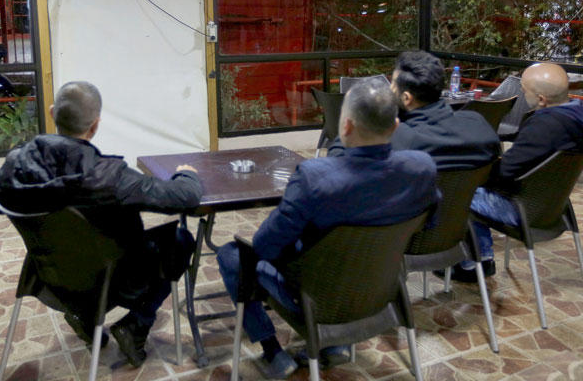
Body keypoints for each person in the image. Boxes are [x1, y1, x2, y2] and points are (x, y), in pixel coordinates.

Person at [217, 79, 439, 378]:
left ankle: (272, 352)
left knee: (232, 255)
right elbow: (429, 222)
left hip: (315, 299)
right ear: (396, 126)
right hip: (381, 289)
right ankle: (334, 346)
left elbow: (265, 246)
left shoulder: (316, 176)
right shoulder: (421, 168)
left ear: (345, 126)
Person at [0, 80, 201, 367]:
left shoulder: (15, 164)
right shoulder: (110, 177)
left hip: (49, 276)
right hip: (109, 283)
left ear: (52, 113)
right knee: (181, 241)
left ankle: (83, 317)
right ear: (95, 125)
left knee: (83, 241)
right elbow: (184, 197)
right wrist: (187, 174)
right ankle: (137, 324)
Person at [451, 62, 583, 282]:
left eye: (524, 90)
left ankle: (475, 263)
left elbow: (505, 173)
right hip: (552, 206)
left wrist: (475, 170)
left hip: (522, 208)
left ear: (541, 99)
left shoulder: (545, 127)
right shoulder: (575, 116)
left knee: (459, 191)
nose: (522, 93)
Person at [329, 51, 501, 171]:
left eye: (392, 84)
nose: (389, 89)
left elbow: (338, 162)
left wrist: (354, 120)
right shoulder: (477, 123)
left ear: (406, 98)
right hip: (462, 209)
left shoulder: (397, 139)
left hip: (412, 212)